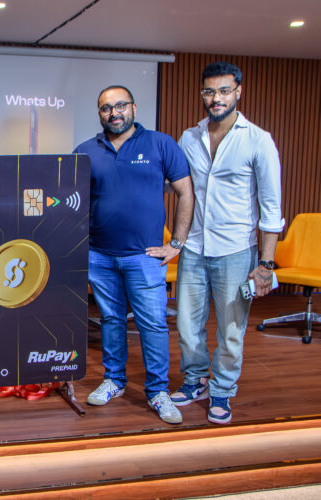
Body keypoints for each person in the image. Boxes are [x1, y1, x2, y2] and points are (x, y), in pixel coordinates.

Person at [171, 62, 284, 424]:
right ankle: (195, 380)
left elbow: (271, 208)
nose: (215, 98)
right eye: (209, 91)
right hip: (194, 247)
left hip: (236, 250)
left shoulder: (258, 140)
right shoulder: (189, 138)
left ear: (238, 92)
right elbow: (180, 190)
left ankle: (222, 389)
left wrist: (265, 264)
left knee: (231, 330)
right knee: (187, 325)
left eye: (223, 91)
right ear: (202, 94)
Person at [74, 85, 194, 424]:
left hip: (145, 256)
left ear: (134, 108)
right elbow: (72, 201)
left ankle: (157, 391)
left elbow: (186, 193)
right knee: (111, 320)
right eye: (106, 108)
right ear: (99, 114)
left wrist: (177, 243)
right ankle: (114, 380)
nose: (114, 113)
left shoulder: (160, 144)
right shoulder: (85, 151)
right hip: (99, 256)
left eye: (120, 105)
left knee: (152, 324)